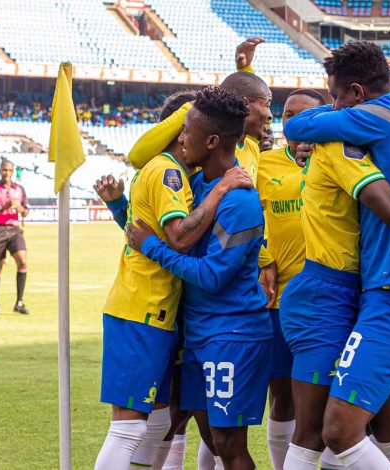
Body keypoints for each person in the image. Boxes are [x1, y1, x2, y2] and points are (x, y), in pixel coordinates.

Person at [283, 40, 390, 470]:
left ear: (356, 92)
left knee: (337, 429)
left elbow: (297, 128)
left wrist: (327, 116)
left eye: (337, 95)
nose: (335, 104)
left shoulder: (379, 116)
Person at [93, 89, 251, 469]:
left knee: (160, 421)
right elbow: (178, 237)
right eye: (183, 130)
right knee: (129, 429)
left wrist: (119, 208)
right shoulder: (168, 173)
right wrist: (223, 188)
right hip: (141, 311)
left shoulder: (179, 172)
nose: (184, 137)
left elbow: (144, 233)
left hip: (157, 313)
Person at [255, 88, 325, 469]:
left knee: (325, 396)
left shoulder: (335, 157)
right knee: (281, 394)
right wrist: (264, 258)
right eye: (286, 115)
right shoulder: (264, 164)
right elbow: (249, 219)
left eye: (303, 115)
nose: (292, 122)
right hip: (277, 299)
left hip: (327, 297)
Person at [0, 158, 29, 314]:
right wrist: (1, 208)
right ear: (0, 171)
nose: (7, 173)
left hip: (14, 229)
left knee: (22, 261)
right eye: (5, 170)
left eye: (10, 170)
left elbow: (26, 211)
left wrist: (20, 209)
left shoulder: (19, 189)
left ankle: (19, 303)